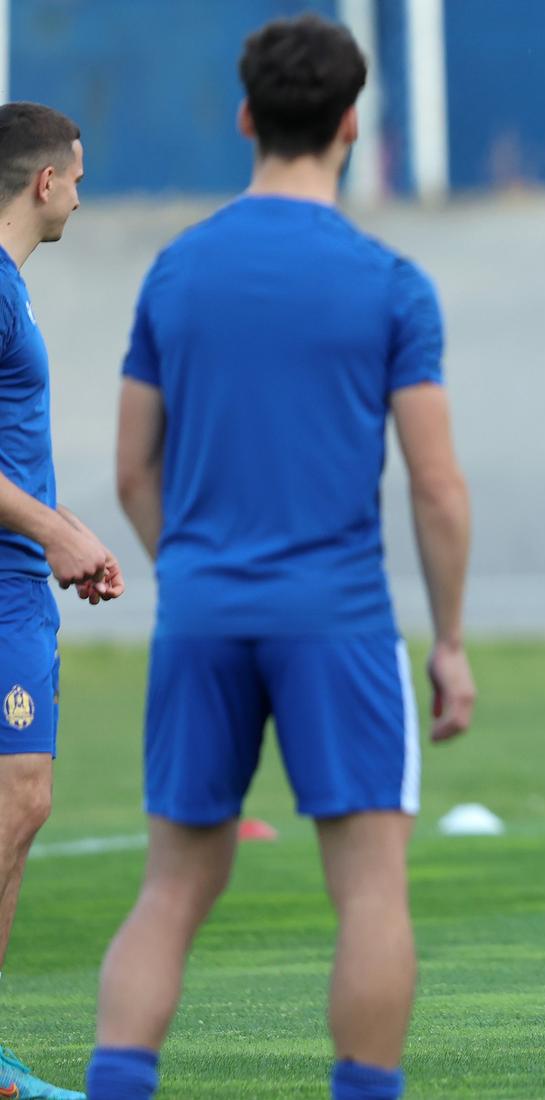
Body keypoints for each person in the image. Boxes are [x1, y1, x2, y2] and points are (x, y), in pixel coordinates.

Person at [85, 14, 474, 1099]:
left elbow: (130, 468)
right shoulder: (389, 282)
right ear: (352, 123)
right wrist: (447, 640)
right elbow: (437, 486)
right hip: (336, 617)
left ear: (247, 116)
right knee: (367, 891)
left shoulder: (176, 269)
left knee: (173, 883)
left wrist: (197, 571)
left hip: (202, 610)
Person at [0, 101, 125, 1100]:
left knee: (21, 798)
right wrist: (51, 531)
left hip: (20, 579)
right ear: (43, 182)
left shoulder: (10, 290)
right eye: (76, 174)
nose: (82, 192)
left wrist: (62, 531)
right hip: (1, 586)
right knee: (17, 797)